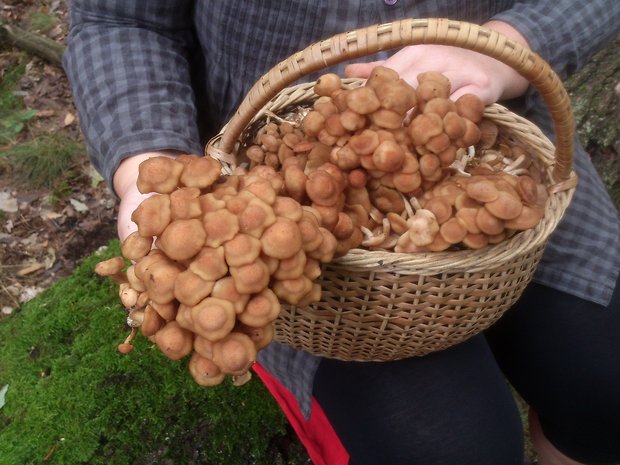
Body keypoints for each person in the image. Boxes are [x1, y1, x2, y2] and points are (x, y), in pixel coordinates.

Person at [63, 1, 620, 464]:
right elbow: (118, 19)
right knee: (447, 446)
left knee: (605, 383)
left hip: (492, 132)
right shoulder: (259, 216)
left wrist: (510, 41)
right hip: (264, 176)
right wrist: (148, 161)